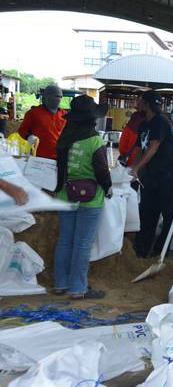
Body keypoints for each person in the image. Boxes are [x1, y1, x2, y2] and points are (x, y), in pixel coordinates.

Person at [53, 95, 112, 299]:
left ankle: (60, 284)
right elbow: (102, 171)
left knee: (65, 241)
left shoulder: (64, 138)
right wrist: (109, 188)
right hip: (90, 198)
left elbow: (60, 169)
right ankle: (78, 288)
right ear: (91, 119)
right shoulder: (95, 141)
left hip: (65, 196)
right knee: (82, 244)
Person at [130, 91, 173, 258]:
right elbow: (139, 149)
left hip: (167, 173)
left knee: (167, 213)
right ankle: (141, 249)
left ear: (147, 104)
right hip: (150, 173)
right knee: (146, 210)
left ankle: (160, 251)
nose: (137, 102)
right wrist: (133, 168)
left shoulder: (160, 122)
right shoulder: (144, 124)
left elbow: (153, 147)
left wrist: (137, 168)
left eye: (140, 99)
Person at [17, 85, 66, 159]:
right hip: (40, 157)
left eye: (60, 97)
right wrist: (29, 137)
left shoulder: (64, 114)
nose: (59, 99)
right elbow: (22, 130)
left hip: (60, 156)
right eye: (56, 96)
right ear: (47, 97)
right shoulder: (33, 113)